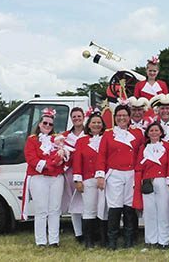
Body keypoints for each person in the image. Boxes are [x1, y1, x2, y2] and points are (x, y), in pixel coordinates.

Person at [96, 105, 144, 250]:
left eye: (124, 115)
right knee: (115, 207)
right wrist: (100, 175)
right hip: (114, 174)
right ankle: (112, 241)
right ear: (115, 117)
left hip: (131, 174)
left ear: (129, 118)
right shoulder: (108, 134)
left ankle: (130, 240)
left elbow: (142, 153)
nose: (121, 118)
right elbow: (102, 155)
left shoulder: (137, 133)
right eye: (119, 115)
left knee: (129, 207)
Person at [22, 108, 64, 247]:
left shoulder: (56, 139)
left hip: (56, 177)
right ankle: (40, 241)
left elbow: (62, 155)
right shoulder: (32, 140)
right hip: (38, 177)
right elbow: (31, 159)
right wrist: (48, 164)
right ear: (39, 124)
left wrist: (59, 159)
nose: (47, 126)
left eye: (50, 124)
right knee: (41, 210)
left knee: (55, 210)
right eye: (45, 123)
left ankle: (54, 240)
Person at [72, 110, 108, 248]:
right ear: (89, 125)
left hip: (104, 180)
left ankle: (103, 239)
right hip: (87, 179)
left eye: (99, 122)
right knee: (89, 209)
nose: (96, 125)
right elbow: (77, 162)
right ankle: (89, 240)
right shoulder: (81, 141)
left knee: (104, 209)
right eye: (94, 122)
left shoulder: (107, 138)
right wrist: (78, 180)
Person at [136, 122, 169, 250]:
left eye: (156, 130)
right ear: (147, 133)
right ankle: (151, 240)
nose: (154, 132)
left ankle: (164, 240)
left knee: (164, 211)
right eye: (151, 130)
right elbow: (138, 167)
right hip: (147, 182)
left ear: (161, 132)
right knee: (150, 212)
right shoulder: (143, 148)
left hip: (163, 181)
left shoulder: (167, 146)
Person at [61, 107, 86, 243]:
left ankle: (89, 230)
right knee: (74, 203)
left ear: (83, 117)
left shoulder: (88, 133)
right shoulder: (64, 136)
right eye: (74, 116)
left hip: (86, 172)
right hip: (70, 173)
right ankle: (78, 233)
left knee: (87, 202)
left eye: (79, 116)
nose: (77, 118)